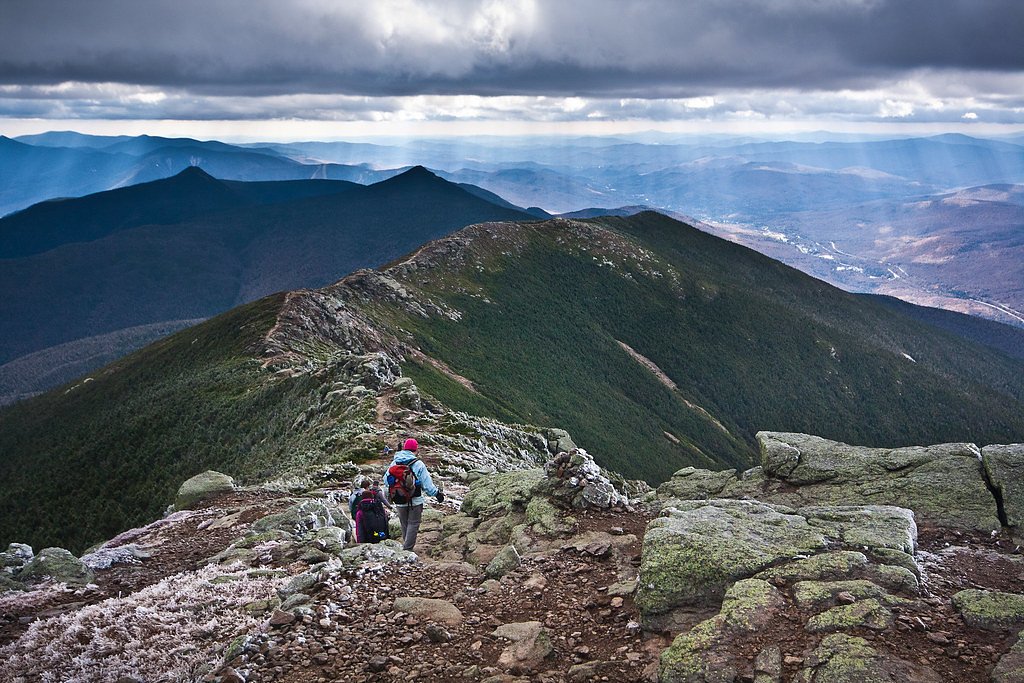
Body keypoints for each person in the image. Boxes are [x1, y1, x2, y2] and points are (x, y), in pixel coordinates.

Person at [383, 438, 444, 551]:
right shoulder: (418, 464)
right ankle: (407, 549)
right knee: (413, 524)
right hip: (415, 500)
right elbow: (427, 484)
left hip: (399, 499)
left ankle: (406, 546)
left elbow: (386, 481)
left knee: (404, 524)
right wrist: (437, 494)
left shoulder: (395, 462)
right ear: (416, 449)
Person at [349, 475, 392, 543]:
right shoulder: (378, 506)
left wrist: (360, 542)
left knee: (355, 528)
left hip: (367, 539)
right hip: (380, 537)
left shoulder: (359, 511)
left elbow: (359, 529)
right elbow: (384, 522)